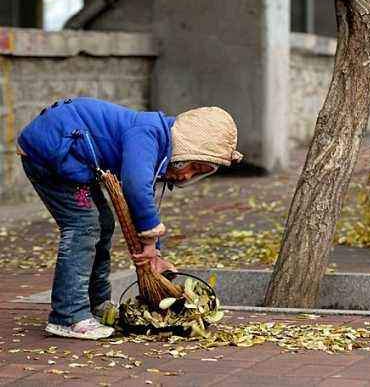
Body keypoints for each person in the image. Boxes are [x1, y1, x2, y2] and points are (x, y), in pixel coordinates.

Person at [16, 98, 242, 339]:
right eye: (194, 166)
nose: (188, 176)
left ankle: (97, 304)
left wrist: (154, 252)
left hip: (72, 159)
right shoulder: (147, 134)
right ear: (186, 147)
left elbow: (141, 205)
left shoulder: (157, 139)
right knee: (83, 226)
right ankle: (68, 316)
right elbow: (135, 188)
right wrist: (149, 243)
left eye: (199, 173)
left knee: (103, 224)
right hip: (52, 153)